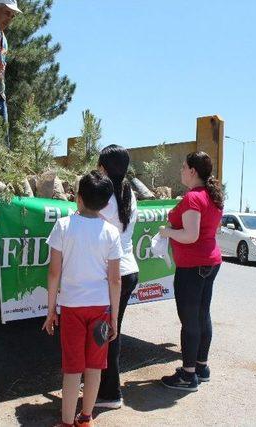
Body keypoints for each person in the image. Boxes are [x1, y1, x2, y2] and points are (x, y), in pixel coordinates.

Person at [43, 171, 123, 427]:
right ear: (106, 202)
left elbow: (54, 272)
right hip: (100, 310)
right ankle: (85, 418)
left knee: (72, 368)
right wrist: (114, 317)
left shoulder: (64, 226)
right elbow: (115, 280)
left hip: (72, 308)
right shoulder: (111, 232)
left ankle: (66, 422)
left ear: (78, 198)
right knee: (94, 367)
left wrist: (51, 310)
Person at [158, 151, 224, 391]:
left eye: (184, 167)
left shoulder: (194, 198)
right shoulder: (211, 197)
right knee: (202, 314)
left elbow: (190, 235)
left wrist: (167, 233)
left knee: (190, 320)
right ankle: (200, 367)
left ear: (193, 171)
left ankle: (188, 375)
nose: (181, 171)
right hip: (209, 261)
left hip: (192, 266)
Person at [94, 145, 139, 409]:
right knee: (113, 331)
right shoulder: (128, 192)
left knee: (108, 333)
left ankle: (110, 393)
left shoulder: (103, 195)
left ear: (103, 167)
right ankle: (103, 384)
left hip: (112, 273)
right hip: (128, 269)